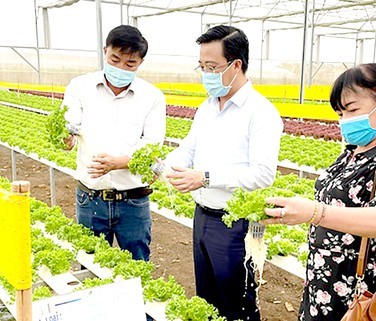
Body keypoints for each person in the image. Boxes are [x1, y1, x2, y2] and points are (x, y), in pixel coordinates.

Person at [261, 63, 376, 320]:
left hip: (361, 293)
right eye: (340, 114)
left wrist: (315, 212)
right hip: (325, 286)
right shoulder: (352, 153)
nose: (345, 121)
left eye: (353, 110)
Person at [163, 25, 283, 321]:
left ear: (236, 65)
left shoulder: (261, 112)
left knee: (236, 305)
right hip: (203, 215)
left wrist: (204, 177)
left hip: (236, 226)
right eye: (202, 67)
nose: (206, 74)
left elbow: (263, 173)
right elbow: (187, 149)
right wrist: (170, 165)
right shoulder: (206, 108)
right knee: (206, 300)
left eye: (212, 67)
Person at [63, 25, 166, 261]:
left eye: (129, 64)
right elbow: (69, 124)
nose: (121, 67)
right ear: (105, 51)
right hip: (90, 198)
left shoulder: (152, 97)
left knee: (137, 266)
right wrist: (65, 137)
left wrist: (118, 163)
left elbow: (152, 145)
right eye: (115, 59)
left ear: (140, 63)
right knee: (90, 267)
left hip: (133, 199)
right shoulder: (80, 86)